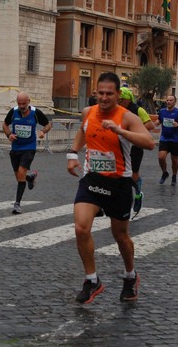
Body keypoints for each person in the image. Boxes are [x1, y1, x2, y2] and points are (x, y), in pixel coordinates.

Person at [66, 72, 155, 304]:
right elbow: (83, 131)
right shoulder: (88, 112)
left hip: (119, 183)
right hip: (92, 179)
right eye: (100, 93)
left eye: (109, 94)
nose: (104, 98)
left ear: (118, 95)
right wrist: (73, 154)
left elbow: (149, 143)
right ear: (95, 92)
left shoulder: (126, 117)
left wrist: (120, 131)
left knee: (120, 235)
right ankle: (92, 280)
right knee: (81, 228)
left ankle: (129, 275)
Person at [2, 92, 52, 214]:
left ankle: (17, 204)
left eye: (24, 103)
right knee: (19, 177)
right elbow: (4, 124)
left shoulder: (36, 113)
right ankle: (31, 178)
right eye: (19, 104)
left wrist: (43, 131)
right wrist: (9, 134)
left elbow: (48, 124)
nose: (22, 106)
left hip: (29, 148)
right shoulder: (13, 112)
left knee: (21, 173)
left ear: (29, 101)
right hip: (15, 148)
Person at [117, 87, 155, 214]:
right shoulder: (115, 110)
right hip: (119, 147)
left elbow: (150, 125)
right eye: (118, 99)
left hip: (135, 147)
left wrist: (133, 131)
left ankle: (138, 194)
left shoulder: (138, 110)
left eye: (121, 99)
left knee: (133, 175)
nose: (119, 101)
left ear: (128, 99)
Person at [153, 95, 178, 186]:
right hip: (164, 138)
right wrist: (156, 123)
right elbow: (159, 120)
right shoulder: (162, 111)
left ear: (174, 102)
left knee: (174, 159)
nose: (168, 102)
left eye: (171, 100)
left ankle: (174, 176)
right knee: (161, 157)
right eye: (167, 100)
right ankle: (165, 173)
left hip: (175, 140)